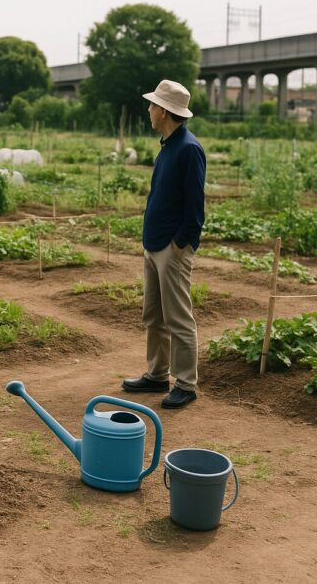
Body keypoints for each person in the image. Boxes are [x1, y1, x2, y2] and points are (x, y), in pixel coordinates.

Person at [122, 80, 206, 409]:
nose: (149, 109)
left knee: (178, 317)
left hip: (171, 249)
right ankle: (157, 374)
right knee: (154, 314)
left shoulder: (188, 148)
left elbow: (194, 207)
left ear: (165, 112)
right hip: (153, 244)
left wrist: (180, 245)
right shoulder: (168, 144)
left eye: (153, 105)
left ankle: (186, 383)